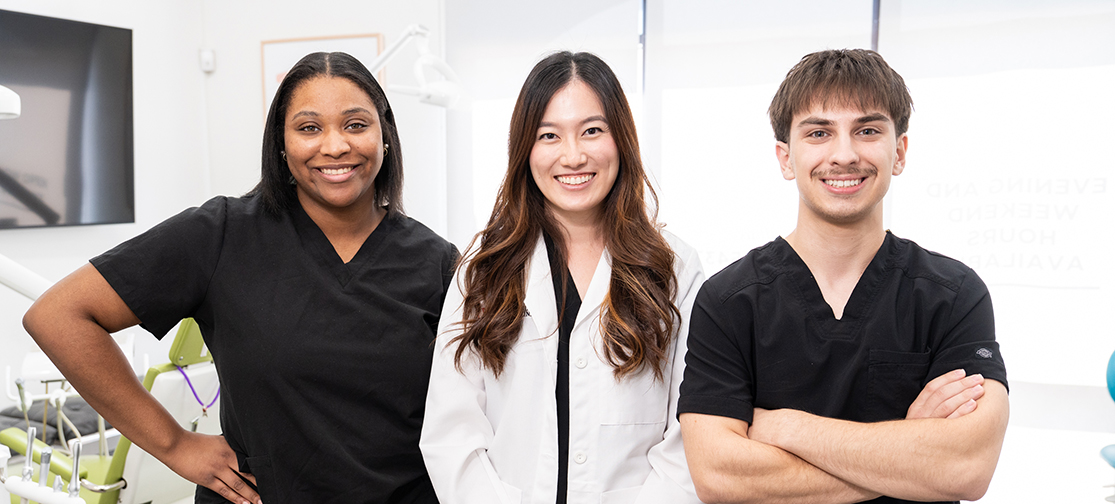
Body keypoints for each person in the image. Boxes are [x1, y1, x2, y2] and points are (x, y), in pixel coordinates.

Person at [22, 52, 457, 504]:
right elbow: (59, 316)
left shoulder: (437, 263)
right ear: (281, 143)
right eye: (309, 128)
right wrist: (175, 445)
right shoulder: (221, 234)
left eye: (355, 124)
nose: (335, 146)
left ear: (384, 135)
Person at [677, 48, 1009, 504]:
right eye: (819, 132)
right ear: (785, 157)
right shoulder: (729, 301)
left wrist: (785, 427)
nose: (845, 154)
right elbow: (718, 477)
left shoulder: (952, 295)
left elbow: (965, 468)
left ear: (900, 151)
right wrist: (906, 454)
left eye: (868, 130)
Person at [419, 51, 704, 504]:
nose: (573, 156)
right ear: (525, 150)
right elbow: (452, 433)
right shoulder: (483, 269)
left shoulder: (675, 269)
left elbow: (690, 434)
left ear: (621, 140)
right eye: (548, 135)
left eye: (592, 130)